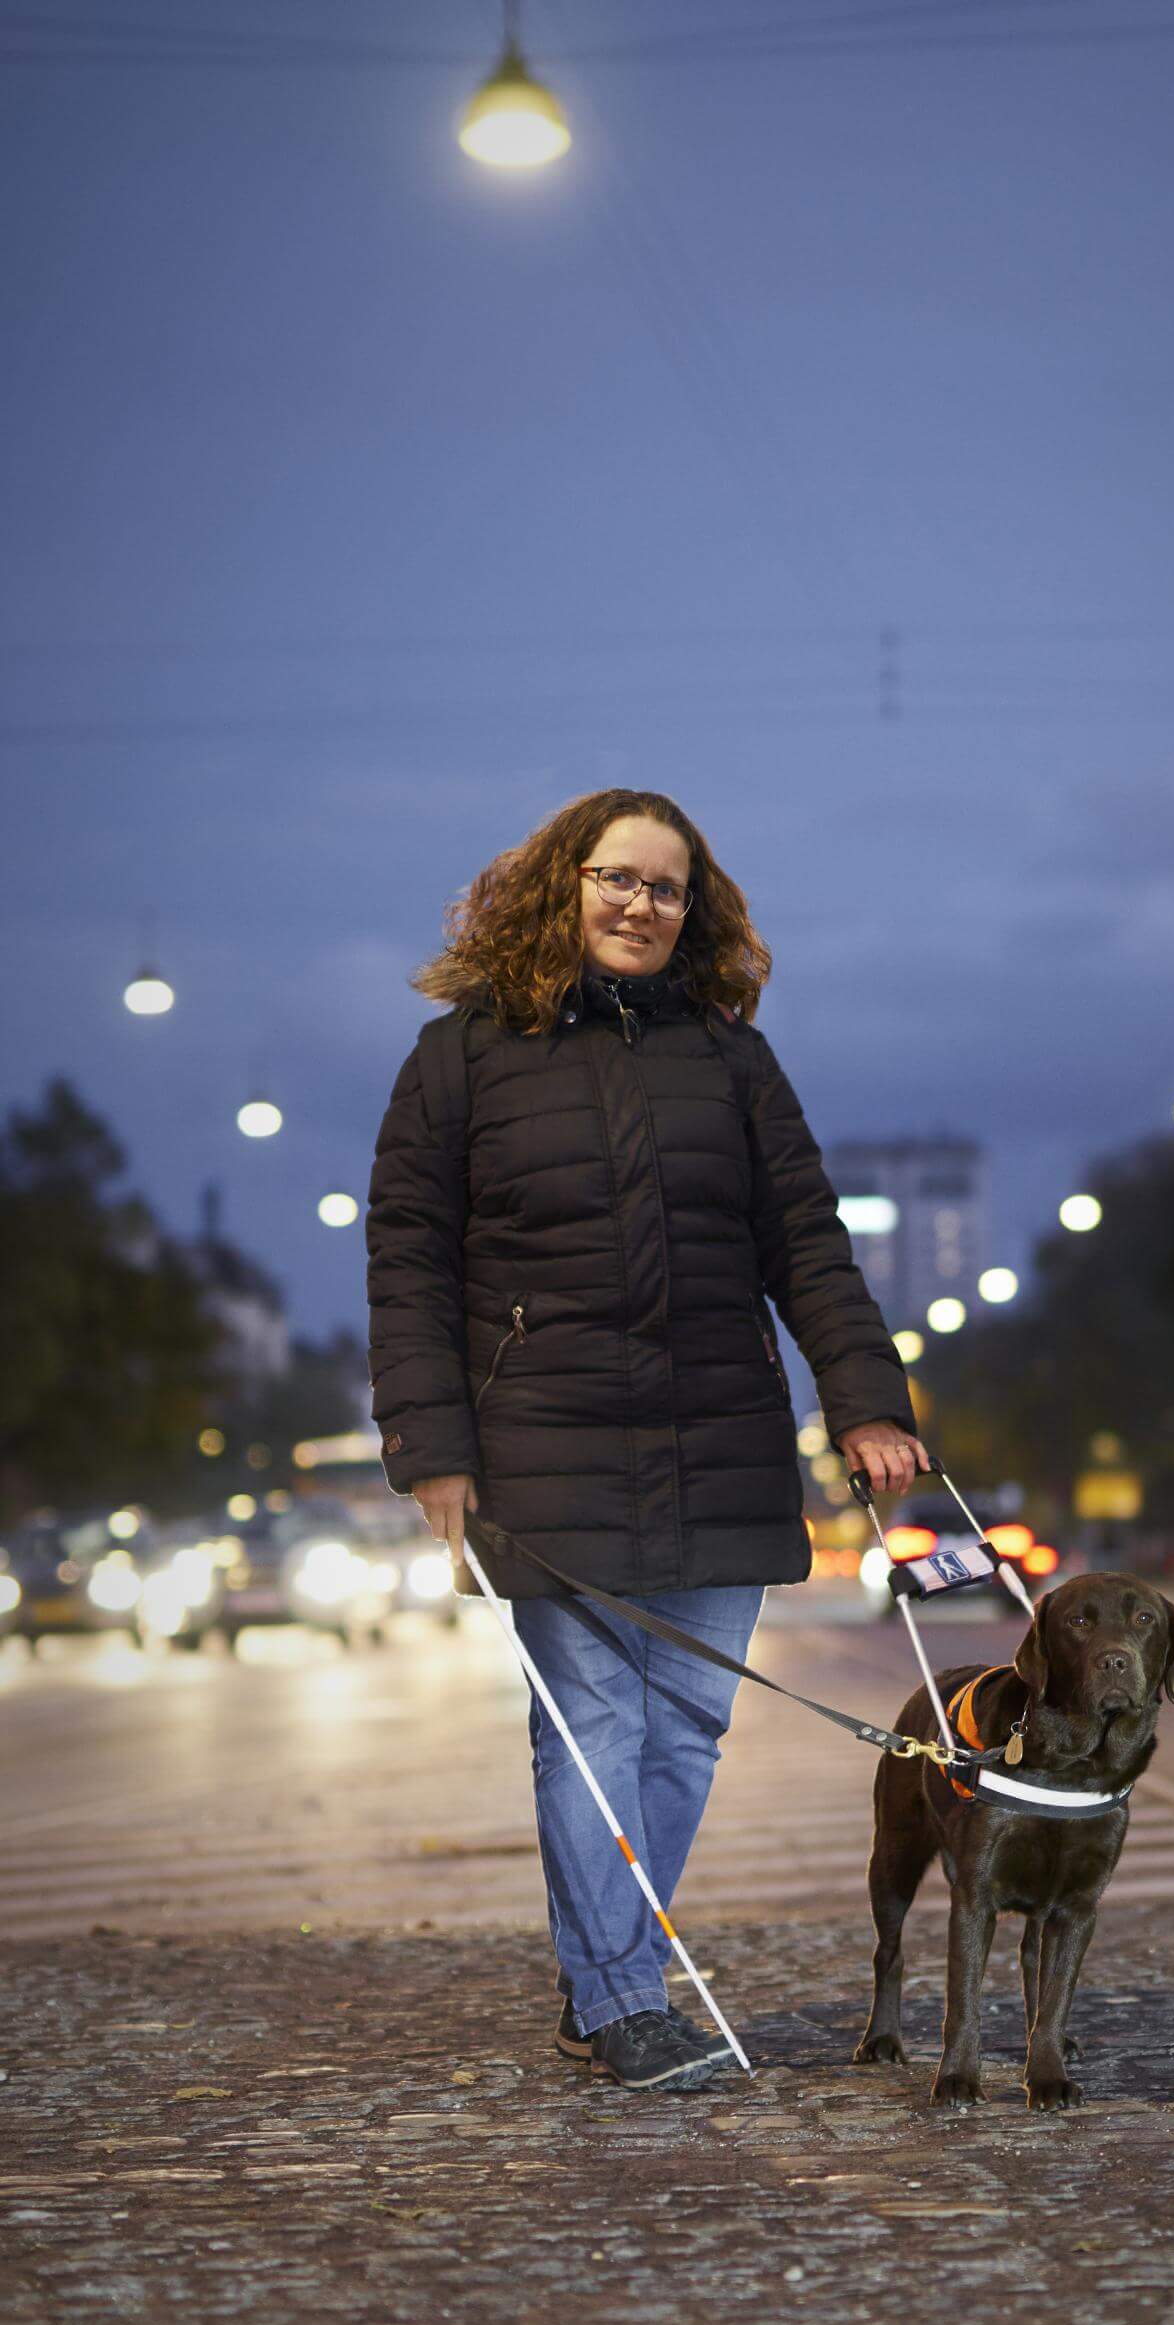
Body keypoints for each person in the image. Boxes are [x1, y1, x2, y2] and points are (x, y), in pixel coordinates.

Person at [366, 787, 929, 2093]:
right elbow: (407, 1262)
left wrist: (867, 1400)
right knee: (589, 1729)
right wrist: (429, 1445)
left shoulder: (736, 1062)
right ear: (561, 886)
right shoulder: (459, 1057)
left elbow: (807, 1246)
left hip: (722, 1436)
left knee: (685, 1733)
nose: (639, 905)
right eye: (617, 878)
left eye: (666, 888)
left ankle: (601, 1978)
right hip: (541, 1447)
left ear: (696, 910)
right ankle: (626, 2001)